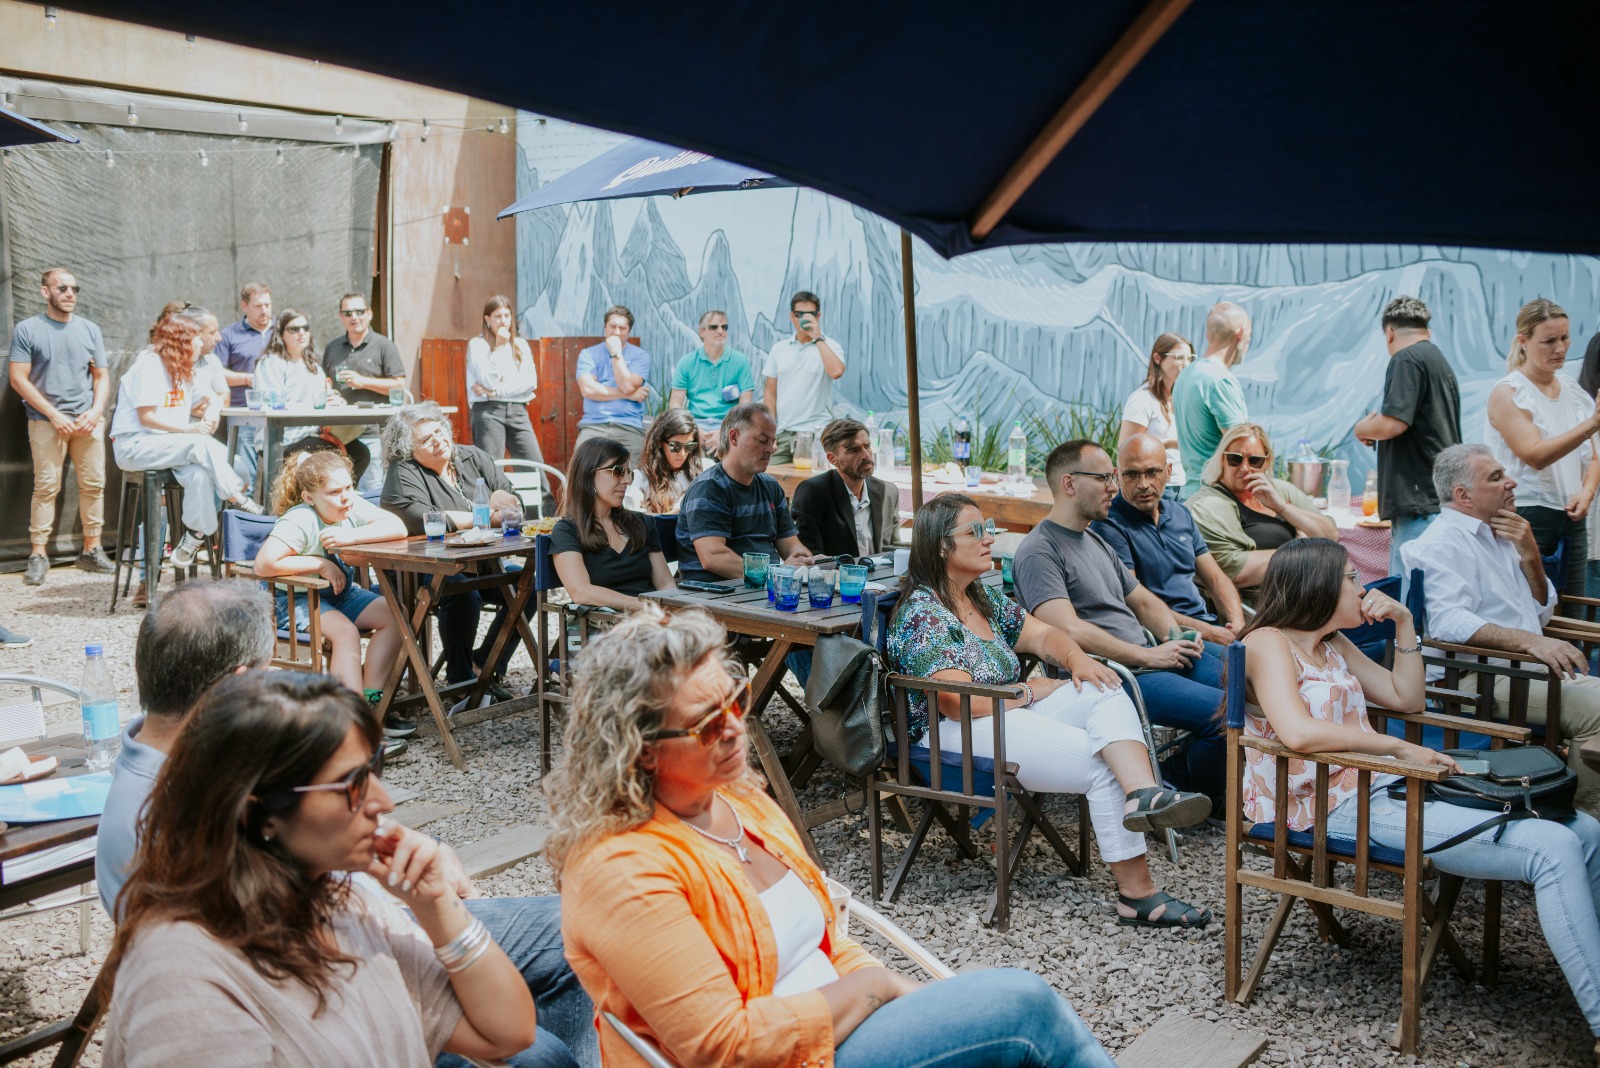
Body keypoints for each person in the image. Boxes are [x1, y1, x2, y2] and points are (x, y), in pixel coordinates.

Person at [549, 605, 1119, 1067]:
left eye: (736, 700)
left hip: (839, 1033)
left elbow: (823, 941)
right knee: (1025, 1008)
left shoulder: (738, 801)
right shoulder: (620, 869)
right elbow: (724, 1046)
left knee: (1008, 1018)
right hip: (795, 1058)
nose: (735, 728)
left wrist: (902, 998)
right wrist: (875, 991)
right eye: (706, 723)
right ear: (639, 749)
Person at [95, 578, 598, 1068]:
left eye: (373, 768)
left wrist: (437, 906)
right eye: (353, 783)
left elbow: (507, 1031)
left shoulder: (338, 900)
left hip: (373, 928)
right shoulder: (184, 974)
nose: (384, 801)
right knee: (544, 1046)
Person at [1237, 537, 1600, 1060]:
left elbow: (1406, 699)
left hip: (1377, 787)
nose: (1362, 587)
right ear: (1318, 585)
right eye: (1352, 578)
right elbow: (1297, 732)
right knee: (1553, 847)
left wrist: (1405, 624)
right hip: (1321, 808)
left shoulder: (1332, 642)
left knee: (1585, 828)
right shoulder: (1268, 642)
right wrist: (1397, 748)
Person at [890, 494, 1213, 926]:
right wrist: (1026, 691)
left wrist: (1077, 659)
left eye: (989, 528)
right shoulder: (924, 613)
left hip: (1003, 711)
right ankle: (1137, 896)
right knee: (1100, 762)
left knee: (1102, 685)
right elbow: (955, 702)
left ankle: (1143, 793)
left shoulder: (979, 597)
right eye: (976, 531)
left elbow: (1044, 636)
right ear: (942, 546)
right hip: (950, 731)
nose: (989, 539)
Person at [1014, 440, 1228, 807]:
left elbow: (1143, 601)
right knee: (1227, 713)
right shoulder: (1039, 551)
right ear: (1069, 483)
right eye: (1104, 478)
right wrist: (1149, 657)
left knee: (1248, 677)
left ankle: (1199, 782)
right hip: (1111, 677)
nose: (1114, 487)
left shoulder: (1094, 539)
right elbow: (1066, 629)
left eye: (1113, 477)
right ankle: (1173, 781)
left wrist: (1176, 635)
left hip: (1147, 658)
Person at [1402, 443, 1600, 816]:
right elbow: (1447, 621)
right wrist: (1532, 642)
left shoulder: (1501, 532)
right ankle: (1585, 823)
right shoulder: (1441, 543)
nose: (1511, 482)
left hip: (1520, 671)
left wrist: (1530, 554)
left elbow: (1541, 612)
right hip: (1475, 679)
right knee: (1596, 714)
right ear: (1464, 496)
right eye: (1496, 477)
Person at [380, 402, 530, 689]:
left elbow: (513, 502)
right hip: (426, 570)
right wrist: (486, 515)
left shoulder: (473, 457)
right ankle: (460, 680)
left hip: (483, 563)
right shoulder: (404, 472)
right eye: (426, 439)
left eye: (439, 431)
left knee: (529, 584)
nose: (438, 441)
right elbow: (423, 518)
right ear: (407, 449)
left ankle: (485, 664)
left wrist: (506, 501)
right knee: (462, 591)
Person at [253, 450, 408, 718]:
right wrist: (320, 564)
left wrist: (351, 537)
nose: (345, 496)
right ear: (309, 497)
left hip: (339, 594)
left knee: (397, 615)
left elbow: (398, 527)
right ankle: (350, 716)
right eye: (335, 492)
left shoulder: (350, 506)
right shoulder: (300, 519)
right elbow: (264, 564)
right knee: (346, 632)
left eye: (348, 487)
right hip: (296, 599)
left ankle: (370, 702)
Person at [110, 309, 263, 568]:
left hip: (171, 447)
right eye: (197, 338)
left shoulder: (183, 369)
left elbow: (214, 398)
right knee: (199, 443)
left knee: (200, 475)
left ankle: (194, 536)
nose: (201, 343)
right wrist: (188, 429)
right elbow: (146, 418)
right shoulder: (149, 365)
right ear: (182, 340)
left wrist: (211, 414)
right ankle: (235, 495)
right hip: (135, 445)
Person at [1485, 298, 1598, 603]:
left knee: (1575, 605)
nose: (1560, 348)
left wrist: (1587, 493)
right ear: (1523, 341)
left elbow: (1594, 456)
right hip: (1527, 512)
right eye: (1549, 341)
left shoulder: (1572, 390)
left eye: (1565, 338)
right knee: (1529, 606)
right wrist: (1592, 424)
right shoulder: (1509, 392)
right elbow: (1534, 455)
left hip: (1572, 514)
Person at [8, 267, 114, 585]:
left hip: (86, 422)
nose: (70, 294)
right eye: (62, 288)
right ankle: (38, 555)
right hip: (45, 421)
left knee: (93, 485)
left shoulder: (90, 330)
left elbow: (101, 376)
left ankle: (91, 551)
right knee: (46, 487)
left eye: (74, 289)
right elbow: (17, 378)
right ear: (46, 292)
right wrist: (53, 414)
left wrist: (95, 411)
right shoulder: (28, 329)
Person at [1094, 432, 1245, 645]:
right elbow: (1137, 605)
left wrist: (1237, 623)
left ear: (1169, 472)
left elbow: (1216, 579)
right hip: (1166, 637)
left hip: (1205, 627)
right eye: (1132, 474)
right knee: (1245, 663)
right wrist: (1210, 632)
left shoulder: (1180, 513)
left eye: (1152, 472)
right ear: (1117, 476)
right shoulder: (1110, 523)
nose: (1143, 484)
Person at [1353, 296, 1462, 582]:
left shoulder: (1406, 358)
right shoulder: (1438, 360)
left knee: (1409, 595)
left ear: (1389, 333)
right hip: (1437, 497)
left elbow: (1393, 423)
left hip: (1418, 500)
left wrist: (1362, 428)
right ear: (1427, 329)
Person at [1188, 423, 1338, 593]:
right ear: (1222, 459)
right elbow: (1236, 571)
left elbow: (1331, 535)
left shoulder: (1279, 490)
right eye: (1235, 459)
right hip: (1259, 601)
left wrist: (1282, 507)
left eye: (1255, 461)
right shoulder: (1209, 504)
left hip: (1300, 592)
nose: (1245, 468)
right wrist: (1307, 554)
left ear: (1266, 462)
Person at [675, 402, 814, 584]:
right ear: (734, 437)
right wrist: (775, 573)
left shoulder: (771, 486)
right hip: (716, 591)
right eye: (763, 440)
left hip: (761, 588)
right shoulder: (709, 487)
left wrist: (807, 562)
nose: (771, 449)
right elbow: (714, 557)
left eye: (773, 441)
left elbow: (791, 545)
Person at [552, 438, 674, 610]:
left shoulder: (642, 523)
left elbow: (665, 583)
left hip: (652, 618)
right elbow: (581, 592)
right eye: (618, 471)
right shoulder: (567, 530)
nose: (627, 481)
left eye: (628, 472)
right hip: (604, 622)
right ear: (589, 474)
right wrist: (644, 607)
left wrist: (669, 612)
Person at [323, 291, 407, 488]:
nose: (354, 317)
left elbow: (399, 385)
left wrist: (362, 381)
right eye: (348, 313)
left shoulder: (384, 346)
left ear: (369, 313)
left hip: (372, 433)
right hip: (339, 435)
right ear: (340, 316)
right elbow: (325, 382)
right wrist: (331, 395)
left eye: (359, 311)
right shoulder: (333, 347)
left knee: (371, 491)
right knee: (338, 491)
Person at [1172, 301, 1252, 497]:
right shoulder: (1220, 381)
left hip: (1190, 495)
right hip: (1216, 499)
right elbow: (1243, 450)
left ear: (1208, 335)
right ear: (1240, 333)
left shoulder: (1185, 375)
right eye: (1249, 337)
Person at [791, 417, 900, 558]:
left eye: (867, 446)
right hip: (835, 571)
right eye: (853, 450)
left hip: (883, 572)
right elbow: (811, 556)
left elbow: (896, 549)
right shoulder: (813, 492)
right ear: (832, 459)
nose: (866, 455)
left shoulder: (888, 492)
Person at [763, 291, 846, 465]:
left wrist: (817, 338)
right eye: (799, 314)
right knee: (765, 475)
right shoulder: (779, 348)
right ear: (791, 316)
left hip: (817, 433)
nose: (804, 319)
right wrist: (769, 432)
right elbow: (770, 394)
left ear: (818, 316)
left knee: (814, 480)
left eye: (810, 314)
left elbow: (836, 371)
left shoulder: (829, 345)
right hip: (783, 433)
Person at [466, 295, 542, 464]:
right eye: (498, 316)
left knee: (535, 467)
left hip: (518, 411)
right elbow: (488, 382)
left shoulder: (520, 345)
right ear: (487, 319)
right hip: (488, 412)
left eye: (507, 315)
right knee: (492, 469)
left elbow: (530, 383)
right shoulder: (478, 345)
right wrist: (499, 348)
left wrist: (494, 392)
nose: (503, 321)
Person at [668, 309, 756, 453]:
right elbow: (675, 404)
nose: (720, 331)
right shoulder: (686, 362)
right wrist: (692, 428)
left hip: (729, 424)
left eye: (724, 327)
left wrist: (725, 432)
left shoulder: (740, 361)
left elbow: (745, 406)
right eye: (714, 327)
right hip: (695, 422)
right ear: (702, 331)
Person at [214, 282, 274, 492]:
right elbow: (216, 373)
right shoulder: (230, 335)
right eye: (258, 306)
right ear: (245, 306)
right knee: (244, 479)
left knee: (277, 478)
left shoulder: (283, 332)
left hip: (277, 414)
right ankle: (241, 512)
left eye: (267, 305)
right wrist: (248, 379)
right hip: (244, 415)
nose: (264, 310)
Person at [1119, 332, 1194, 497]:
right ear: (1158, 359)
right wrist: (1167, 444)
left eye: (1190, 358)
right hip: (1155, 488)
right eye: (1179, 357)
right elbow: (1125, 448)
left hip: (1183, 484)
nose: (1186, 364)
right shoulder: (1142, 399)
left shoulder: (1180, 398)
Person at [574, 305, 650, 462]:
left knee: (633, 473)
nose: (617, 332)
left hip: (628, 426)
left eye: (622, 328)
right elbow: (588, 390)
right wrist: (628, 396)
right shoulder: (588, 354)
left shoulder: (640, 356)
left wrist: (616, 353)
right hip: (594, 425)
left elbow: (627, 386)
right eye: (612, 326)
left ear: (629, 331)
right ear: (605, 327)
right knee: (582, 469)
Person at [625, 407, 701, 514]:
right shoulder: (641, 478)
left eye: (689, 446)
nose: (683, 453)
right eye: (675, 446)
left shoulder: (703, 472)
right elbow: (631, 512)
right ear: (660, 442)